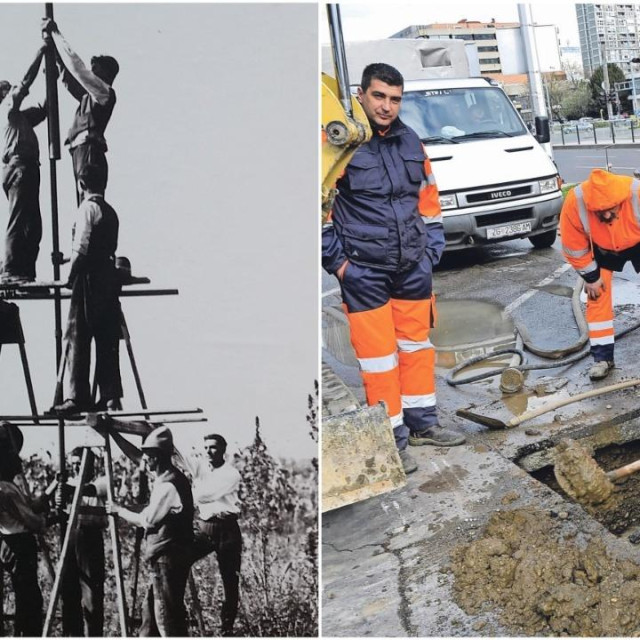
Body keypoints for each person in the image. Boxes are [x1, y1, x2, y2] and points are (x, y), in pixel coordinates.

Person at [322, 62, 466, 475]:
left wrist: (431, 249)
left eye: (395, 99)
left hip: (412, 266)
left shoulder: (410, 141)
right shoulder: (340, 143)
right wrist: (340, 264)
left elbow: (429, 196)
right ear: (362, 94)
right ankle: (392, 438)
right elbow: (318, 207)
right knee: (379, 359)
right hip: (363, 271)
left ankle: (424, 425)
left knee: (416, 348)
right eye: (379, 96)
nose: (387, 106)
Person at [108, 426, 194, 637]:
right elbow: (136, 456)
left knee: (167, 618)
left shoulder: (169, 485)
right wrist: (113, 433)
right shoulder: (166, 475)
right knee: (151, 615)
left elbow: (148, 520)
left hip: (168, 556)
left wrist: (120, 511)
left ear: (158, 457)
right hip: (167, 556)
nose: (145, 461)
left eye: (149, 456)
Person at [52, 163, 122, 416]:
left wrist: (70, 276)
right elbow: (100, 246)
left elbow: (81, 249)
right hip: (108, 278)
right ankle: (111, 396)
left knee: (78, 335)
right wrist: (64, 260)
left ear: (81, 185)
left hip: (89, 279)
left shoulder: (86, 208)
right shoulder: (111, 211)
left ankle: (78, 397)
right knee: (107, 338)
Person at [560, 168, 640, 380]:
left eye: (610, 209)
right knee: (596, 296)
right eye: (599, 211)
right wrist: (591, 278)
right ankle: (603, 358)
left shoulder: (636, 192)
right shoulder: (575, 201)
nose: (606, 215)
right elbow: (573, 245)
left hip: (637, 240)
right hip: (603, 248)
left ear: (620, 200)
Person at [42, 18, 118, 197]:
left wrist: (56, 35)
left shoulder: (104, 91)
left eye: (95, 70)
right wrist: (57, 58)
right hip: (80, 150)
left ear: (105, 74)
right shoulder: (90, 96)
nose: (91, 73)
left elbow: (77, 69)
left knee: (89, 199)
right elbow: (70, 79)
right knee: (84, 198)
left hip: (89, 149)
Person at [0, 46, 47, 284]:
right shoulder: (6, 109)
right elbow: (26, 81)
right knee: (20, 220)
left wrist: (52, 77)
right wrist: (41, 53)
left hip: (25, 167)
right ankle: (10, 268)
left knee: (32, 224)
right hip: (19, 167)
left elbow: (43, 111)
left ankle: (24, 270)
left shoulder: (18, 118)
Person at [189, 434, 242, 636]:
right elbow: (177, 459)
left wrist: (192, 490)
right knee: (180, 560)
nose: (208, 451)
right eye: (206, 447)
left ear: (223, 449)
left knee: (230, 580)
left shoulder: (231, 473)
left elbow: (205, 495)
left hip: (227, 529)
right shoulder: (200, 467)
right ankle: (183, 616)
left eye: (213, 447)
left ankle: (226, 628)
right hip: (206, 527)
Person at [0, 423, 50, 636]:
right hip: (19, 544)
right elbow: (32, 520)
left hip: (9, 541)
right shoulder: (6, 490)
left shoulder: (7, 488)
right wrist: (46, 520)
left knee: (25, 596)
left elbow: (29, 506)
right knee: (29, 599)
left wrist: (49, 493)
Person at [58, 447, 108, 637]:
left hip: (90, 540)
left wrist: (66, 489)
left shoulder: (102, 481)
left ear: (92, 467)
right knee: (69, 591)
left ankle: (92, 635)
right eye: (74, 465)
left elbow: (88, 491)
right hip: (71, 538)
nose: (77, 469)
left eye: (81, 464)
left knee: (92, 596)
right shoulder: (69, 484)